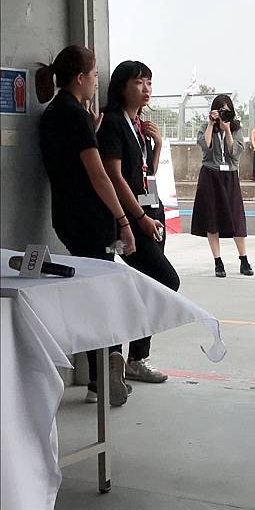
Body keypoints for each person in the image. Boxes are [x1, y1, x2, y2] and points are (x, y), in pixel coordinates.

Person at [38, 45, 136, 407]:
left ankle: (98, 377)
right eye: (94, 75)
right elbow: (98, 175)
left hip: (66, 218)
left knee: (91, 294)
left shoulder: (53, 113)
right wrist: (123, 220)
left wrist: (90, 130)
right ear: (80, 78)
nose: (97, 81)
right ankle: (107, 370)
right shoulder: (75, 117)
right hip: (92, 221)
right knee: (105, 296)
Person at [96, 60, 180, 392]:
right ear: (121, 87)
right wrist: (138, 219)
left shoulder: (138, 125)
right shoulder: (113, 123)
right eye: (139, 82)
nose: (146, 89)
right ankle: (127, 352)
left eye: (149, 82)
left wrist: (156, 146)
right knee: (165, 281)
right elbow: (115, 177)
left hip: (149, 211)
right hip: (131, 218)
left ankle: (137, 357)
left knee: (151, 283)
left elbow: (145, 174)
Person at [191, 94, 253, 278]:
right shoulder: (205, 127)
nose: (223, 114)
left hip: (230, 176)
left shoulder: (236, 128)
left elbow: (234, 153)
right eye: (220, 110)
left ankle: (244, 259)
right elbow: (205, 146)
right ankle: (218, 261)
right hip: (210, 175)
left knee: (236, 218)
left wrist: (227, 130)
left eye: (227, 111)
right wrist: (211, 124)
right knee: (212, 219)